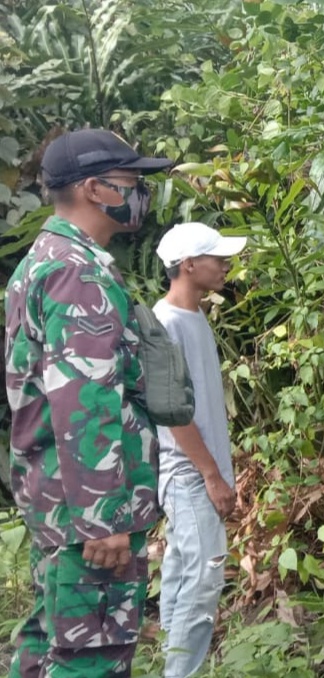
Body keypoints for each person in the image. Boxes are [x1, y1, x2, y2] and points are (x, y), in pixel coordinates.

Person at [4, 128, 172, 677]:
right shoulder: (77, 273)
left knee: (49, 643)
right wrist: (103, 518)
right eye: (131, 183)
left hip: (58, 497)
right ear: (97, 190)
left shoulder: (48, 259)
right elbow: (85, 398)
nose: (140, 194)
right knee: (91, 656)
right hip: (88, 511)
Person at [152, 222, 247, 678]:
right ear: (188, 265)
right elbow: (172, 412)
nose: (226, 265)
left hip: (199, 469)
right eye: (217, 258)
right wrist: (211, 474)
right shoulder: (167, 322)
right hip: (188, 471)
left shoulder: (193, 316)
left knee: (183, 570)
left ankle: (173, 666)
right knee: (204, 574)